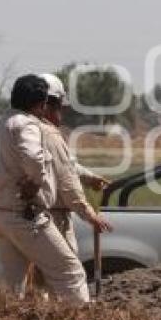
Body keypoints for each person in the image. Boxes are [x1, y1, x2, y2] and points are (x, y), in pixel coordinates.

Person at [0, 75, 90, 303]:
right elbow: (32, 156)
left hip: (2, 213)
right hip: (27, 214)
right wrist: (36, 180)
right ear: (40, 104)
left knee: (12, 285)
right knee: (71, 273)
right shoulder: (27, 123)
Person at [36, 73, 111, 255]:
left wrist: (89, 178)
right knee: (69, 278)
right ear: (46, 106)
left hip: (34, 218)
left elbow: (66, 165)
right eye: (59, 107)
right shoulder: (48, 134)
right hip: (53, 218)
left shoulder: (22, 131)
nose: (60, 114)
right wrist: (90, 215)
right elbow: (67, 179)